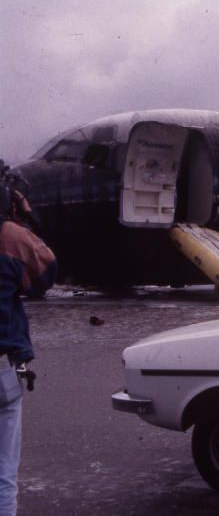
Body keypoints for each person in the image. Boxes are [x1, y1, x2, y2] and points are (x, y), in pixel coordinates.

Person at [0, 179, 57, 516]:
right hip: (3, 367)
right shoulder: (12, 237)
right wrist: (26, 221)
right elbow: (47, 275)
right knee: (4, 473)